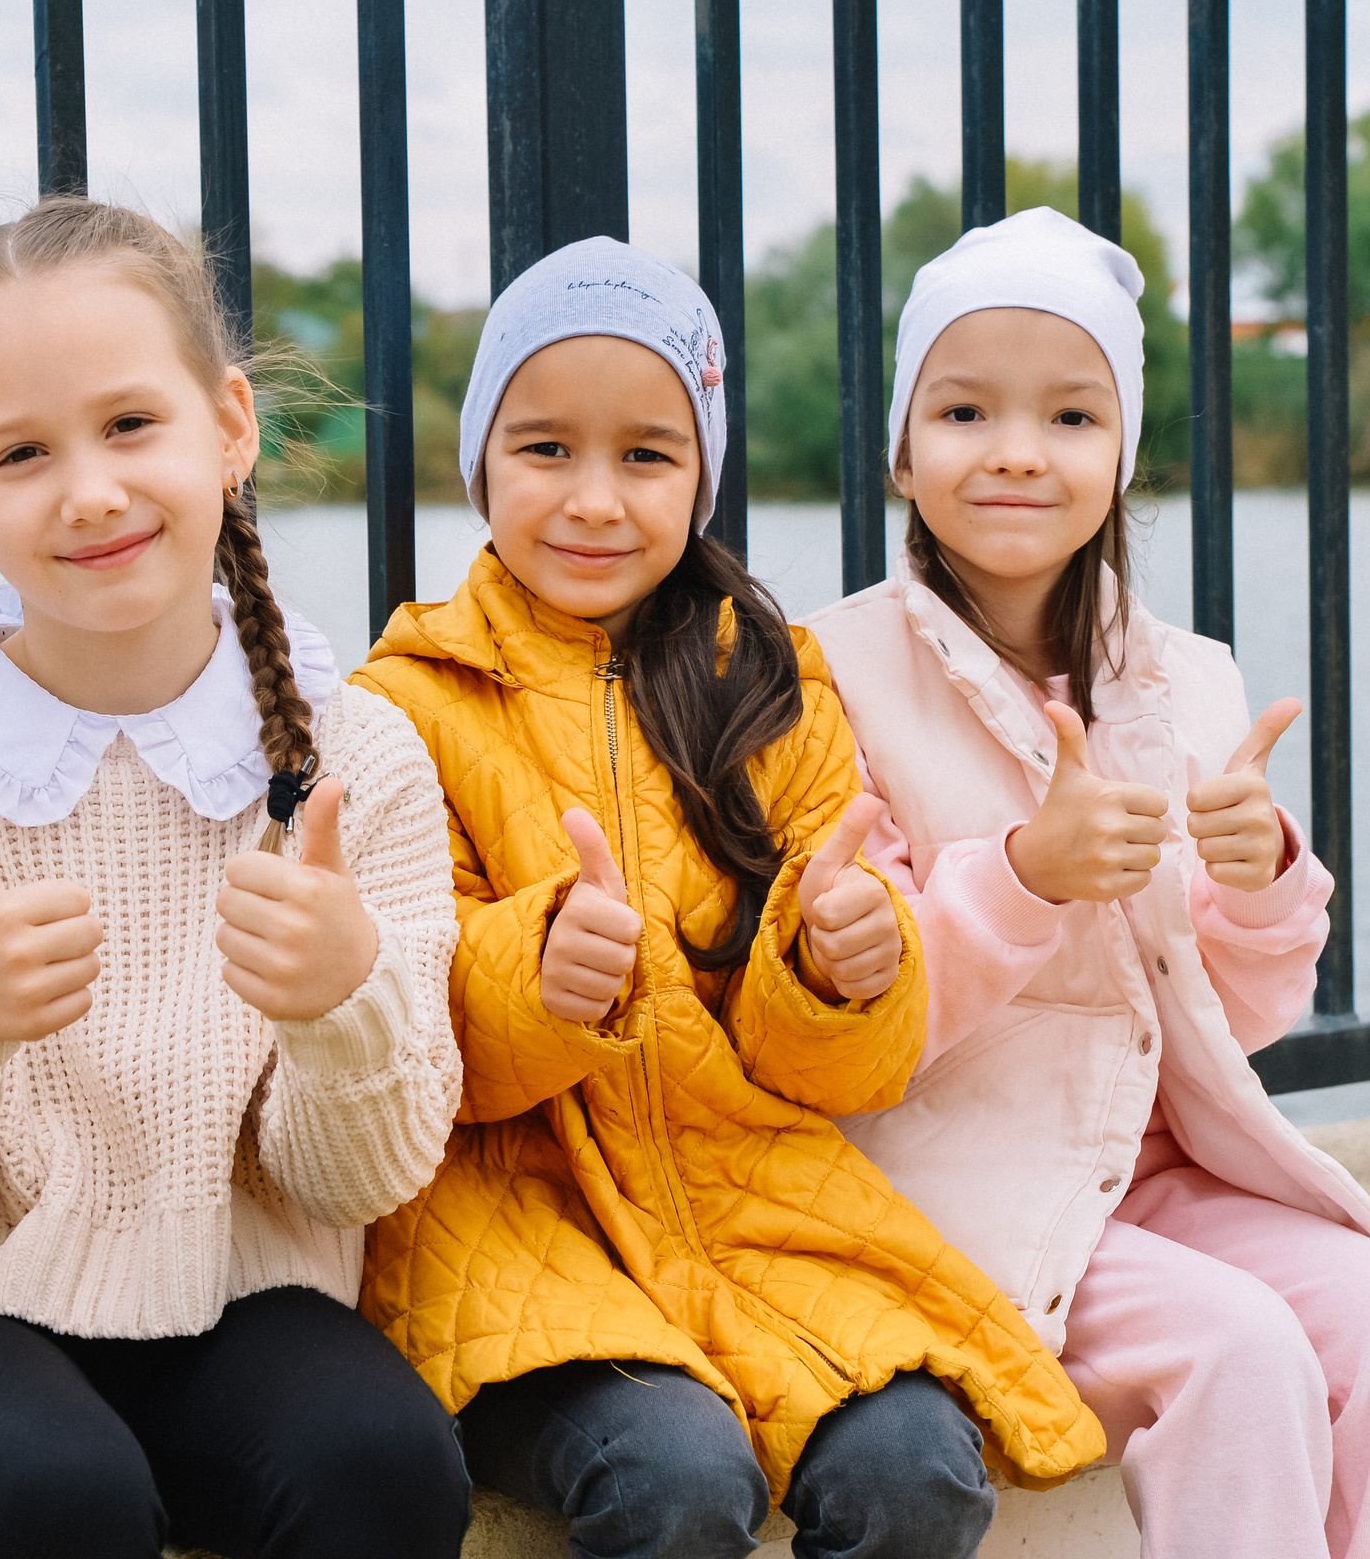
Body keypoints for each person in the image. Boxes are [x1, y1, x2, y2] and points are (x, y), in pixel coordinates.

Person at [351, 236, 1102, 1559]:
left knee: (917, 1468)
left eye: (646, 455)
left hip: (757, 1211)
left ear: (701, 474)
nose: (594, 500)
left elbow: (844, 1073)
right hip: (522, 1227)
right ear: (479, 466)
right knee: (676, 1477)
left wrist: (843, 964)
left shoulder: (771, 689)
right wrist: (531, 978)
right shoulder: (403, 707)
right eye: (544, 451)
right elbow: (396, 1039)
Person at [0, 198, 471, 1559]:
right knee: (61, 1502)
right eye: (24, 453)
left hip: (234, 1304)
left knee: (387, 1469)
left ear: (229, 428)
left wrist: (347, 1008)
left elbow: (358, 1187)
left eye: (131, 426)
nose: (89, 488)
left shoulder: (356, 758)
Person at [805, 206, 1370, 1559]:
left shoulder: (1184, 677)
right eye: (962, 413)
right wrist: (1020, 881)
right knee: (1239, 1355)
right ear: (900, 449)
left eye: (1072, 417)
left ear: (1121, 454)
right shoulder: (826, 674)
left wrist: (1258, 885)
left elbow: (1239, 1018)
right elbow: (850, 1029)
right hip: (959, 1173)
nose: (1017, 452)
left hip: (1166, 1167)